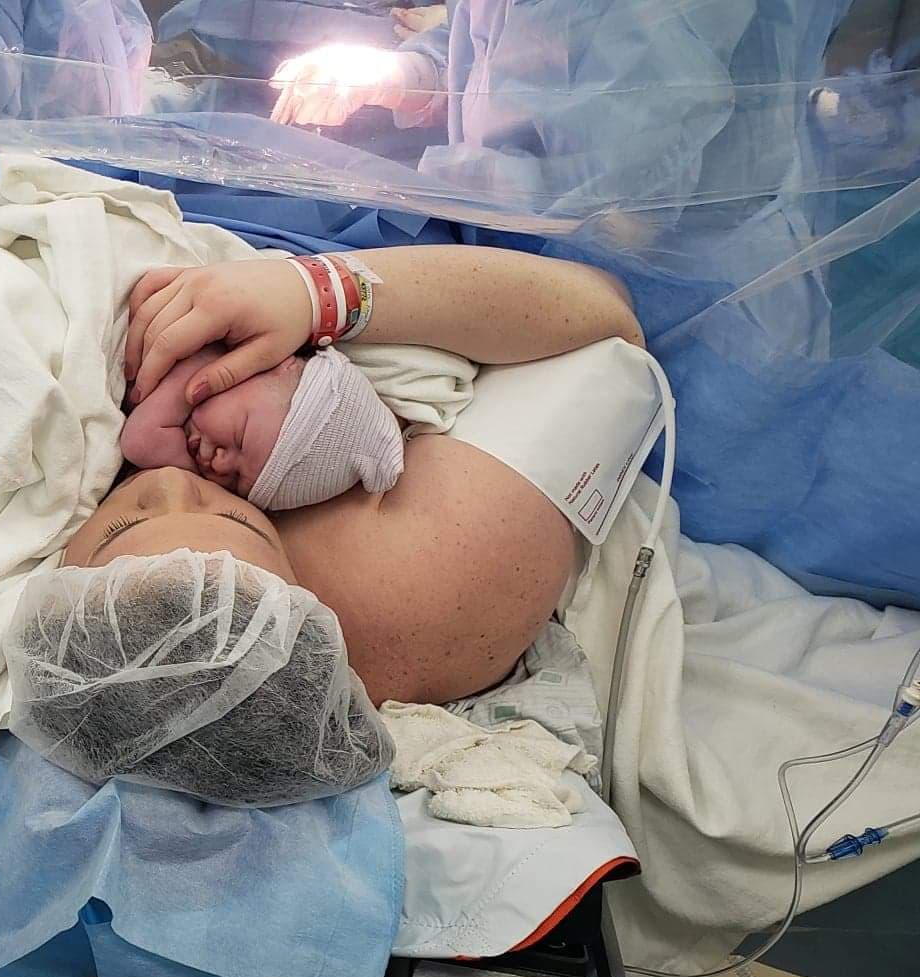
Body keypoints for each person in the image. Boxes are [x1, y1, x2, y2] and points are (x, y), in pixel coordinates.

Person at [113, 244, 643, 704]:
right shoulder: (422, 580)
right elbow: (608, 318)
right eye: (233, 511)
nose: (174, 483)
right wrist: (319, 294)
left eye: (128, 524)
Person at [118, 343, 404, 508]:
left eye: (235, 483)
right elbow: (140, 442)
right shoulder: (209, 357)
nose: (220, 465)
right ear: (278, 363)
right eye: (240, 438)